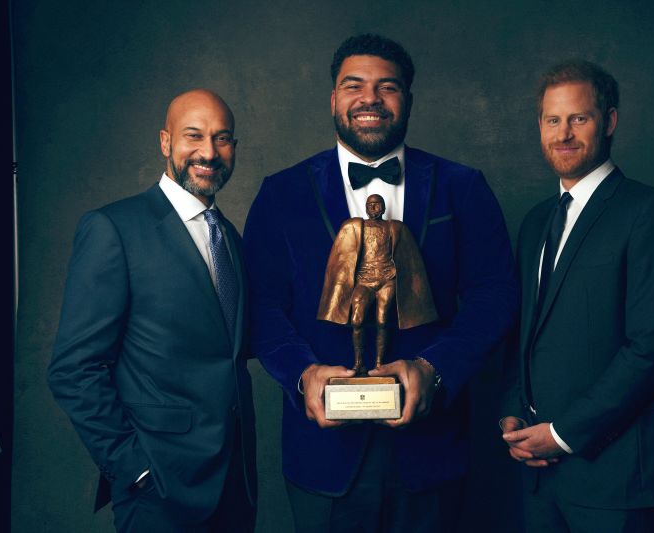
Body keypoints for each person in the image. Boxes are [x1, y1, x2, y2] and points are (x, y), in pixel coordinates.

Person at [244, 34, 517, 532]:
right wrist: (302, 374)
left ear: (407, 100)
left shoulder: (463, 186)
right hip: (323, 458)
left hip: (432, 454)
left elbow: (494, 296)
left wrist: (436, 370)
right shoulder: (281, 193)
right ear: (333, 98)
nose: (369, 98)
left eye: (386, 87)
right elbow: (260, 307)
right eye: (354, 85)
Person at [48, 89, 257, 533]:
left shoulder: (229, 238)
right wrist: (133, 469)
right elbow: (73, 369)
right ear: (165, 142)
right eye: (193, 136)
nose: (208, 152)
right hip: (158, 490)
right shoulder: (113, 229)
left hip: (234, 487)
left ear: (234, 149)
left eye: (222, 139)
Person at [500, 60, 654, 532]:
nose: (563, 133)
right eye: (552, 120)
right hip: (540, 479)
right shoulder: (535, 223)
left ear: (609, 121)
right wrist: (510, 412)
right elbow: (527, 333)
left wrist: (562, 436)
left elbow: (649, 349)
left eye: (578, 118)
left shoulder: (649, 212)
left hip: (615, 480)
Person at [317, 193, 437, 373]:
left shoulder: (394, 227)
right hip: (364, 280)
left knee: (382, 320)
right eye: (370, 205)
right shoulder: (357, 226)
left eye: (377, 204)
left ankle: (379, 364)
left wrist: (395, 273)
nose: (374, 208)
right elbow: (342, 258)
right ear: (365, 207)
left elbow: (410, 259)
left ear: (383, 207)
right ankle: (359, 362)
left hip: (386, 279)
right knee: (357, 320)